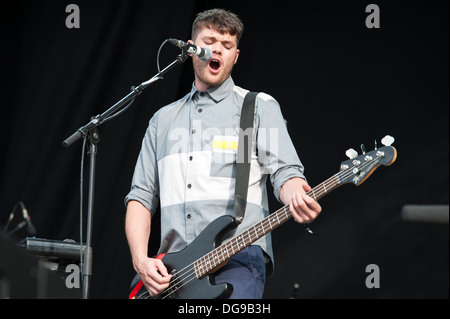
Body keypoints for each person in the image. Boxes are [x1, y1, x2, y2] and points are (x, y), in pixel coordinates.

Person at [124, 8, 322, 299]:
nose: (217, 48)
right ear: (192, 49)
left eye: (227, 45)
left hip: (239, 257)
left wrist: (295, 194)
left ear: (235, 57)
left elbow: (285, 173)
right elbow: (140, 198)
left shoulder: (257, 107)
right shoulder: (162, 120)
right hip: (173, 273)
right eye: (210, 40)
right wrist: (141, 261)